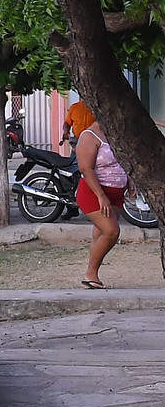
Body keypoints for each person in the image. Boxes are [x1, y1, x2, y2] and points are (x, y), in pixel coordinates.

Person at [69, 102, 127, 289]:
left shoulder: (115, 134)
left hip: (117, 193)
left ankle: (92, 274)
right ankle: (90, 274)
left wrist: (130, 180)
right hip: (94, 193)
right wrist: (101, 196)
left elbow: (122, 162)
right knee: (112, 231)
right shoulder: (89, 136)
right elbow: (86, 168)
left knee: (102, 232)